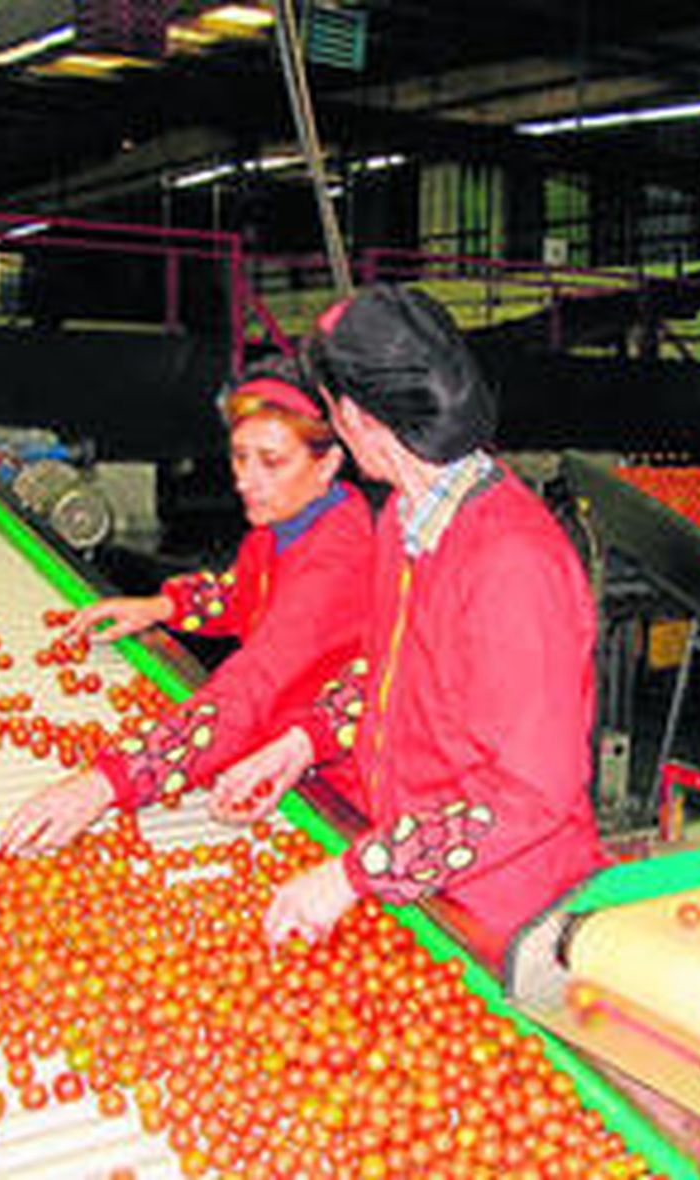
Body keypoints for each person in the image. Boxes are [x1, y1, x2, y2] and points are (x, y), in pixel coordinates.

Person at [207, 285, 608, 962]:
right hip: (424, 885)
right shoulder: (403, 518)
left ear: (357, 416)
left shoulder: (513, 560)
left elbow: (533, 792)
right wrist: (301, 744)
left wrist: (353, 874)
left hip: (506, 916)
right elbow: (390, 669)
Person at [0, 362, 372, 854]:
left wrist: (105, 784)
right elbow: (244, 596)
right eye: (240, 458)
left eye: (271, 462)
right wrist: (161, 607)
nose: (246, 481)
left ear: (326, 464)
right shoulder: (292, 520)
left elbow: (252, 692)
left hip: (342, 784)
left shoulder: (338, 560)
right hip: (281, 750)